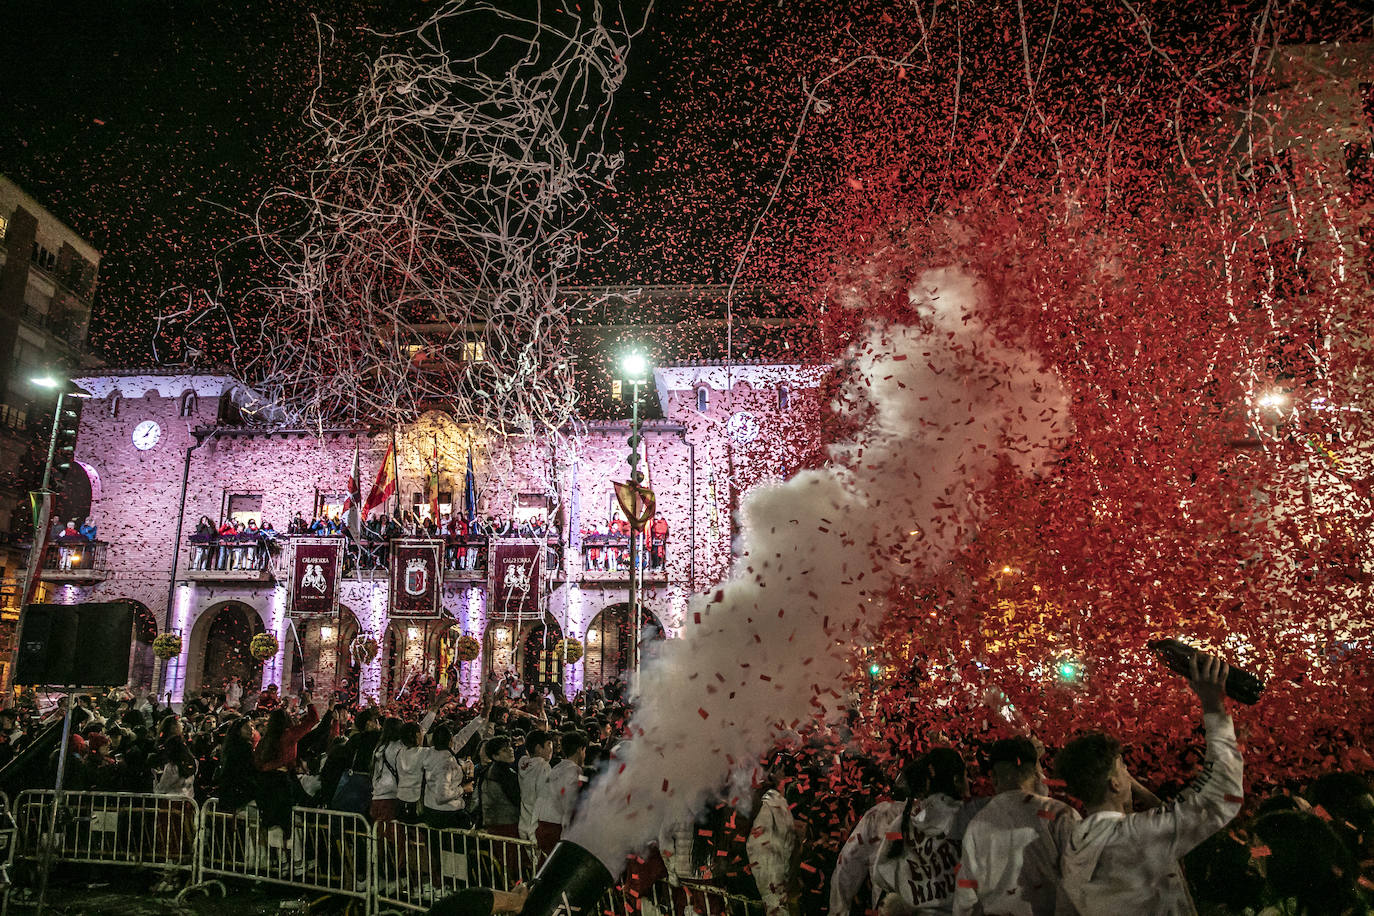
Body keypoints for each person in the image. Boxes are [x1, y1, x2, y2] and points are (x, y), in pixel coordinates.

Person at [1055, 652, 1241, 915]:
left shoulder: (1073, 844)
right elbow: (1219, 797)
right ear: (1115, 784)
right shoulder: (1134, 836)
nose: (1130, 775)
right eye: (1124, 769)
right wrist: (1214, 706)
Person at [952, 736, 1079, 916]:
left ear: (994, 777)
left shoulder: (977, 825)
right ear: (1035, 773)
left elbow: (966, 896)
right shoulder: (1061, 815)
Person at [872, 748, 977, 914]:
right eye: (965, 775)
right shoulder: (971, 820)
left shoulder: (903, 823)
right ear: (956, 780)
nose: (969, 781)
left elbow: (880, 874)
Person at [534, 732, 587, 854]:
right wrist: (566, 837)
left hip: (542, 824)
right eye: (584, 751)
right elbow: (569, 805)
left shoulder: (556, 768)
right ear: (580, 750)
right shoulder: (574, 771)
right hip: (556, 828)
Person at [479, 736, 521, 837]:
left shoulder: (488, 771)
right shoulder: (504, 774)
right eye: (504, 750)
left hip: (493, 824)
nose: (510, 750)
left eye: (510, 747)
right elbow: (516, 798)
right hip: (507, 825)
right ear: (495, 756)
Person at [517, 729, 554, 842]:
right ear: (538, 748)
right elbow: (544, 798)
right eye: (548, 745)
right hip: (536, 827)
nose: (551, 749)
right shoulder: (544, 767)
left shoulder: (522, 763)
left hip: (523, 823)